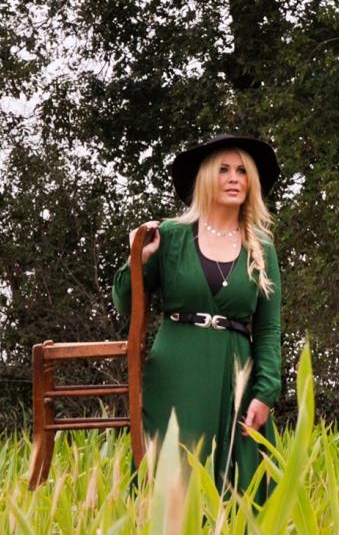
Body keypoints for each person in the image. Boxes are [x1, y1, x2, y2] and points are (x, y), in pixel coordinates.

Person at [113, 134, 284, 501]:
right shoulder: (170, 237)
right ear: (206, 177)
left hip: (236, 376)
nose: (234, 177)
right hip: (174, 375)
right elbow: (128, 306)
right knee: (169, 478)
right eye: (223, 169)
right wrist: (137, 257)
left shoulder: (262, 248)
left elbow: (269, 329)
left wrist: (265, 392)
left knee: (239, 490)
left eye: (242, 170)